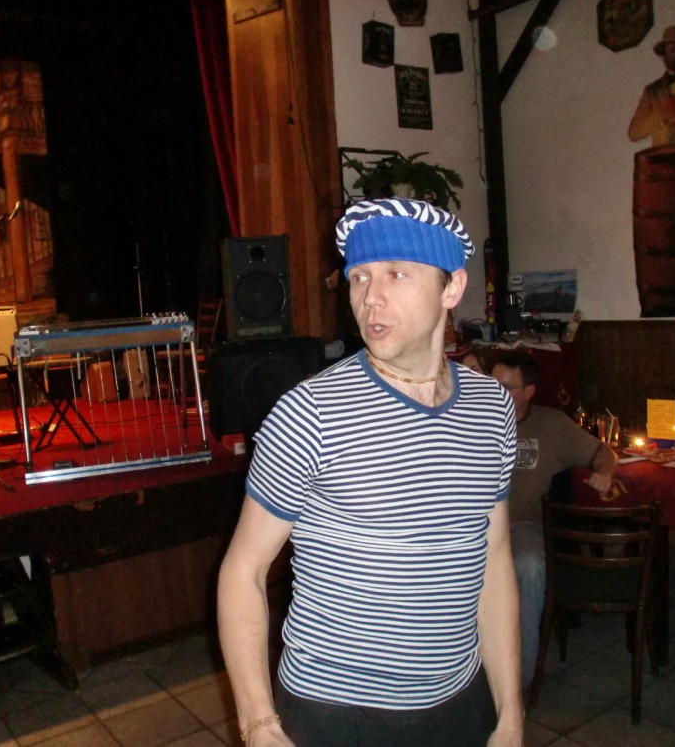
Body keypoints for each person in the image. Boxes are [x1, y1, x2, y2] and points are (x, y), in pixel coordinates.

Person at [217, 197, 524, 746]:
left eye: (396, 274)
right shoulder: (309, 413)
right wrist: (259, 723)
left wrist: (511, 711)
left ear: (452, 287)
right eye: (359, 277)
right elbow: (243, 571)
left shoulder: (491, 407)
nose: (370, 297)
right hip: (336, 714)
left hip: (462, 702)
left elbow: (494, 558)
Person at [490, 349, 617, 691]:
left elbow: (601, 451)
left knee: (530, 564)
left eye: (506, 387)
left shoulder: (551, 425)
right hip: (477, 526)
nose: (495, 392)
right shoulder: (474, 421)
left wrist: (605, 472)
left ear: (529, 391)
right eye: (491, 384)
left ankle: (520, 680)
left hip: (522, 525)